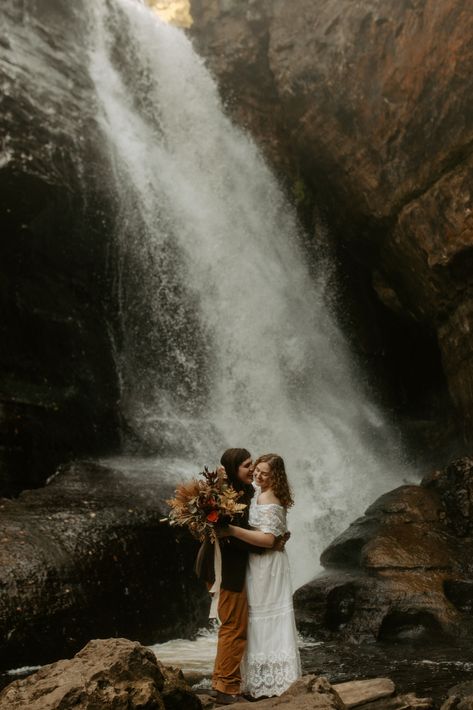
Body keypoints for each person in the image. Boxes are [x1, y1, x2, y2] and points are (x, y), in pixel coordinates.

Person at [222, 453, 301, 699]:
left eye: (264, 473)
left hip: (268, 565)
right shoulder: (256, 490)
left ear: (274, 477)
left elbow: (268, 540)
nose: (257, 475)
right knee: (256, 618)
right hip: (257, 564)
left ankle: (275, 682)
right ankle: (257, 680)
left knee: (267, 617)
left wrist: (231, 530)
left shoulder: (269, 497)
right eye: (256, 469)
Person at [195, 448, 266, 705]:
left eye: (252, 463)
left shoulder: (241, 493)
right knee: (234, 627)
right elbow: (233, 538)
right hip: (224, 570)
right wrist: (267, 543)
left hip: (230, 568)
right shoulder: (225, 500)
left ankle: (223, 682)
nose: (252, 468)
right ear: (234, 469)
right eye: (247, 465)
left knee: (234, 625)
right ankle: (226, 689)